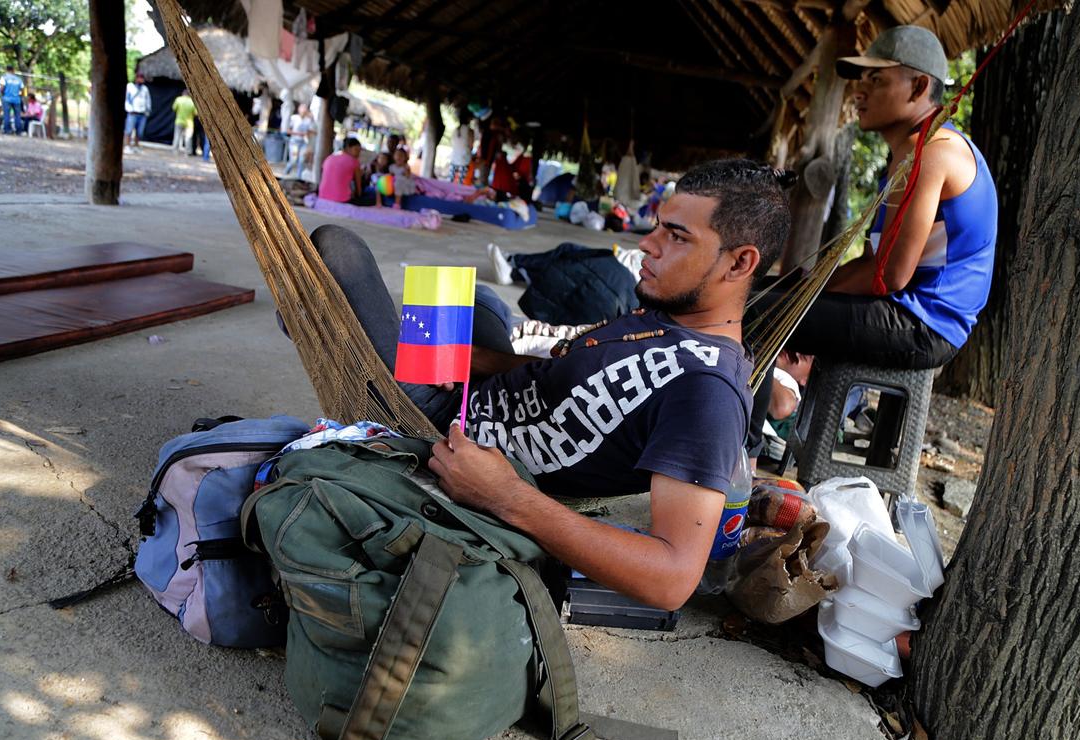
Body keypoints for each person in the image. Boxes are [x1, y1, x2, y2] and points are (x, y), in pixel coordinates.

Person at [297, 159, 792, 610]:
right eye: (658, 225)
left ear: (739, 263)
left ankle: (317, 326)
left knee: (336, 250)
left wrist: (505, 497)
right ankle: (339, 327)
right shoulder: (672, 315)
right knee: (481, 300)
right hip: (475, 391)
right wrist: (476, 361)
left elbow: (672, 578)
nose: (648, 243)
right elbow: (561, 372)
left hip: (440, 426)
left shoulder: (707, 392)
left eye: (677, 237)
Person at [745, 26, 997, 455]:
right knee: (758, 292)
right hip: (900, 311)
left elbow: (891, 276)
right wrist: (803, 287)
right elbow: (874, 262)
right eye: (860, 81)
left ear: (919, 86)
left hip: (922, 325)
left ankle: (737, 464)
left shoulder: (934, 151)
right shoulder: (909, 153)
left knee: (751, 313)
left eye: (875, 80)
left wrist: (804, 296)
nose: (859, 92)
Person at [487, 241, 643, 325]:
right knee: (569, 262)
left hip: (618, 285)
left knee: (567, 256)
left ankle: (513, 266)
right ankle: (514, 269)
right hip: (621, 300)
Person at [318, 136, 364, 203]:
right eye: (356, 150)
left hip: (322, 195)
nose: (358, 154)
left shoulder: (330, 157)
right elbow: (358, 189)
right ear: (348, 148)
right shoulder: (354, 162)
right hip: (341, 199)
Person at [283, 104, 313, 178]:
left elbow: (309, 132)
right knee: (293, 159)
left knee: (301, 160)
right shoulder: (294, 118)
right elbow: (288, 131)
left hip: (303, 143)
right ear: (299, 110)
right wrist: (300, 134)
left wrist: (308, 138)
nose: (303, 111)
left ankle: (299, 177)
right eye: (302, 109)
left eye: (305, 109)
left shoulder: (308, 120)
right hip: (294, 142)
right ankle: (287, 169)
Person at [124, 73, 151, 152]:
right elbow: (127, 99)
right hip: (132, 113)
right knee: (129, 130)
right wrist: (130, 109)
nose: (141, 80)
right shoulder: (130, 87)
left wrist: (147, 110)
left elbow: (148, 100)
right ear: (136, 78)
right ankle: (127, 146)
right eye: (139, 78)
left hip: (142, 113)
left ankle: (136, 146)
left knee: (139, 132)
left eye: (142, 78)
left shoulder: (145, 89)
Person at [0, 65, 23, 135]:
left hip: (7, 98)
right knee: (17, 115)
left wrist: (3, 94)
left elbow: (2, 88)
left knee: (7, 115)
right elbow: (22, 89)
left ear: (6, 69)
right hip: (17, 99)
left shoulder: (4, 78)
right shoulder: (18, 79)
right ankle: (18, 131)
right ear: (13, 70)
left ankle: (7, 130)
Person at [449, 109, 473, 183]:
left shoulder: (455, 130)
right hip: (464, 159)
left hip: (454, 157)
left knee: (451, 180)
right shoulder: (469, 131)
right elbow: (470, 145)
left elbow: (452, 143)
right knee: (461, 182)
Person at [171, 90, 196, 155]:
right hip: (189, 123)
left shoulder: (178, 99)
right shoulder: (192, 102)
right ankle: (187, 152)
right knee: (188, 138)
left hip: (179, 121)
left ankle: (175, 151)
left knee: (177, 136)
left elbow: (174, 108)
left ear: (183, 94)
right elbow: (196, 113)